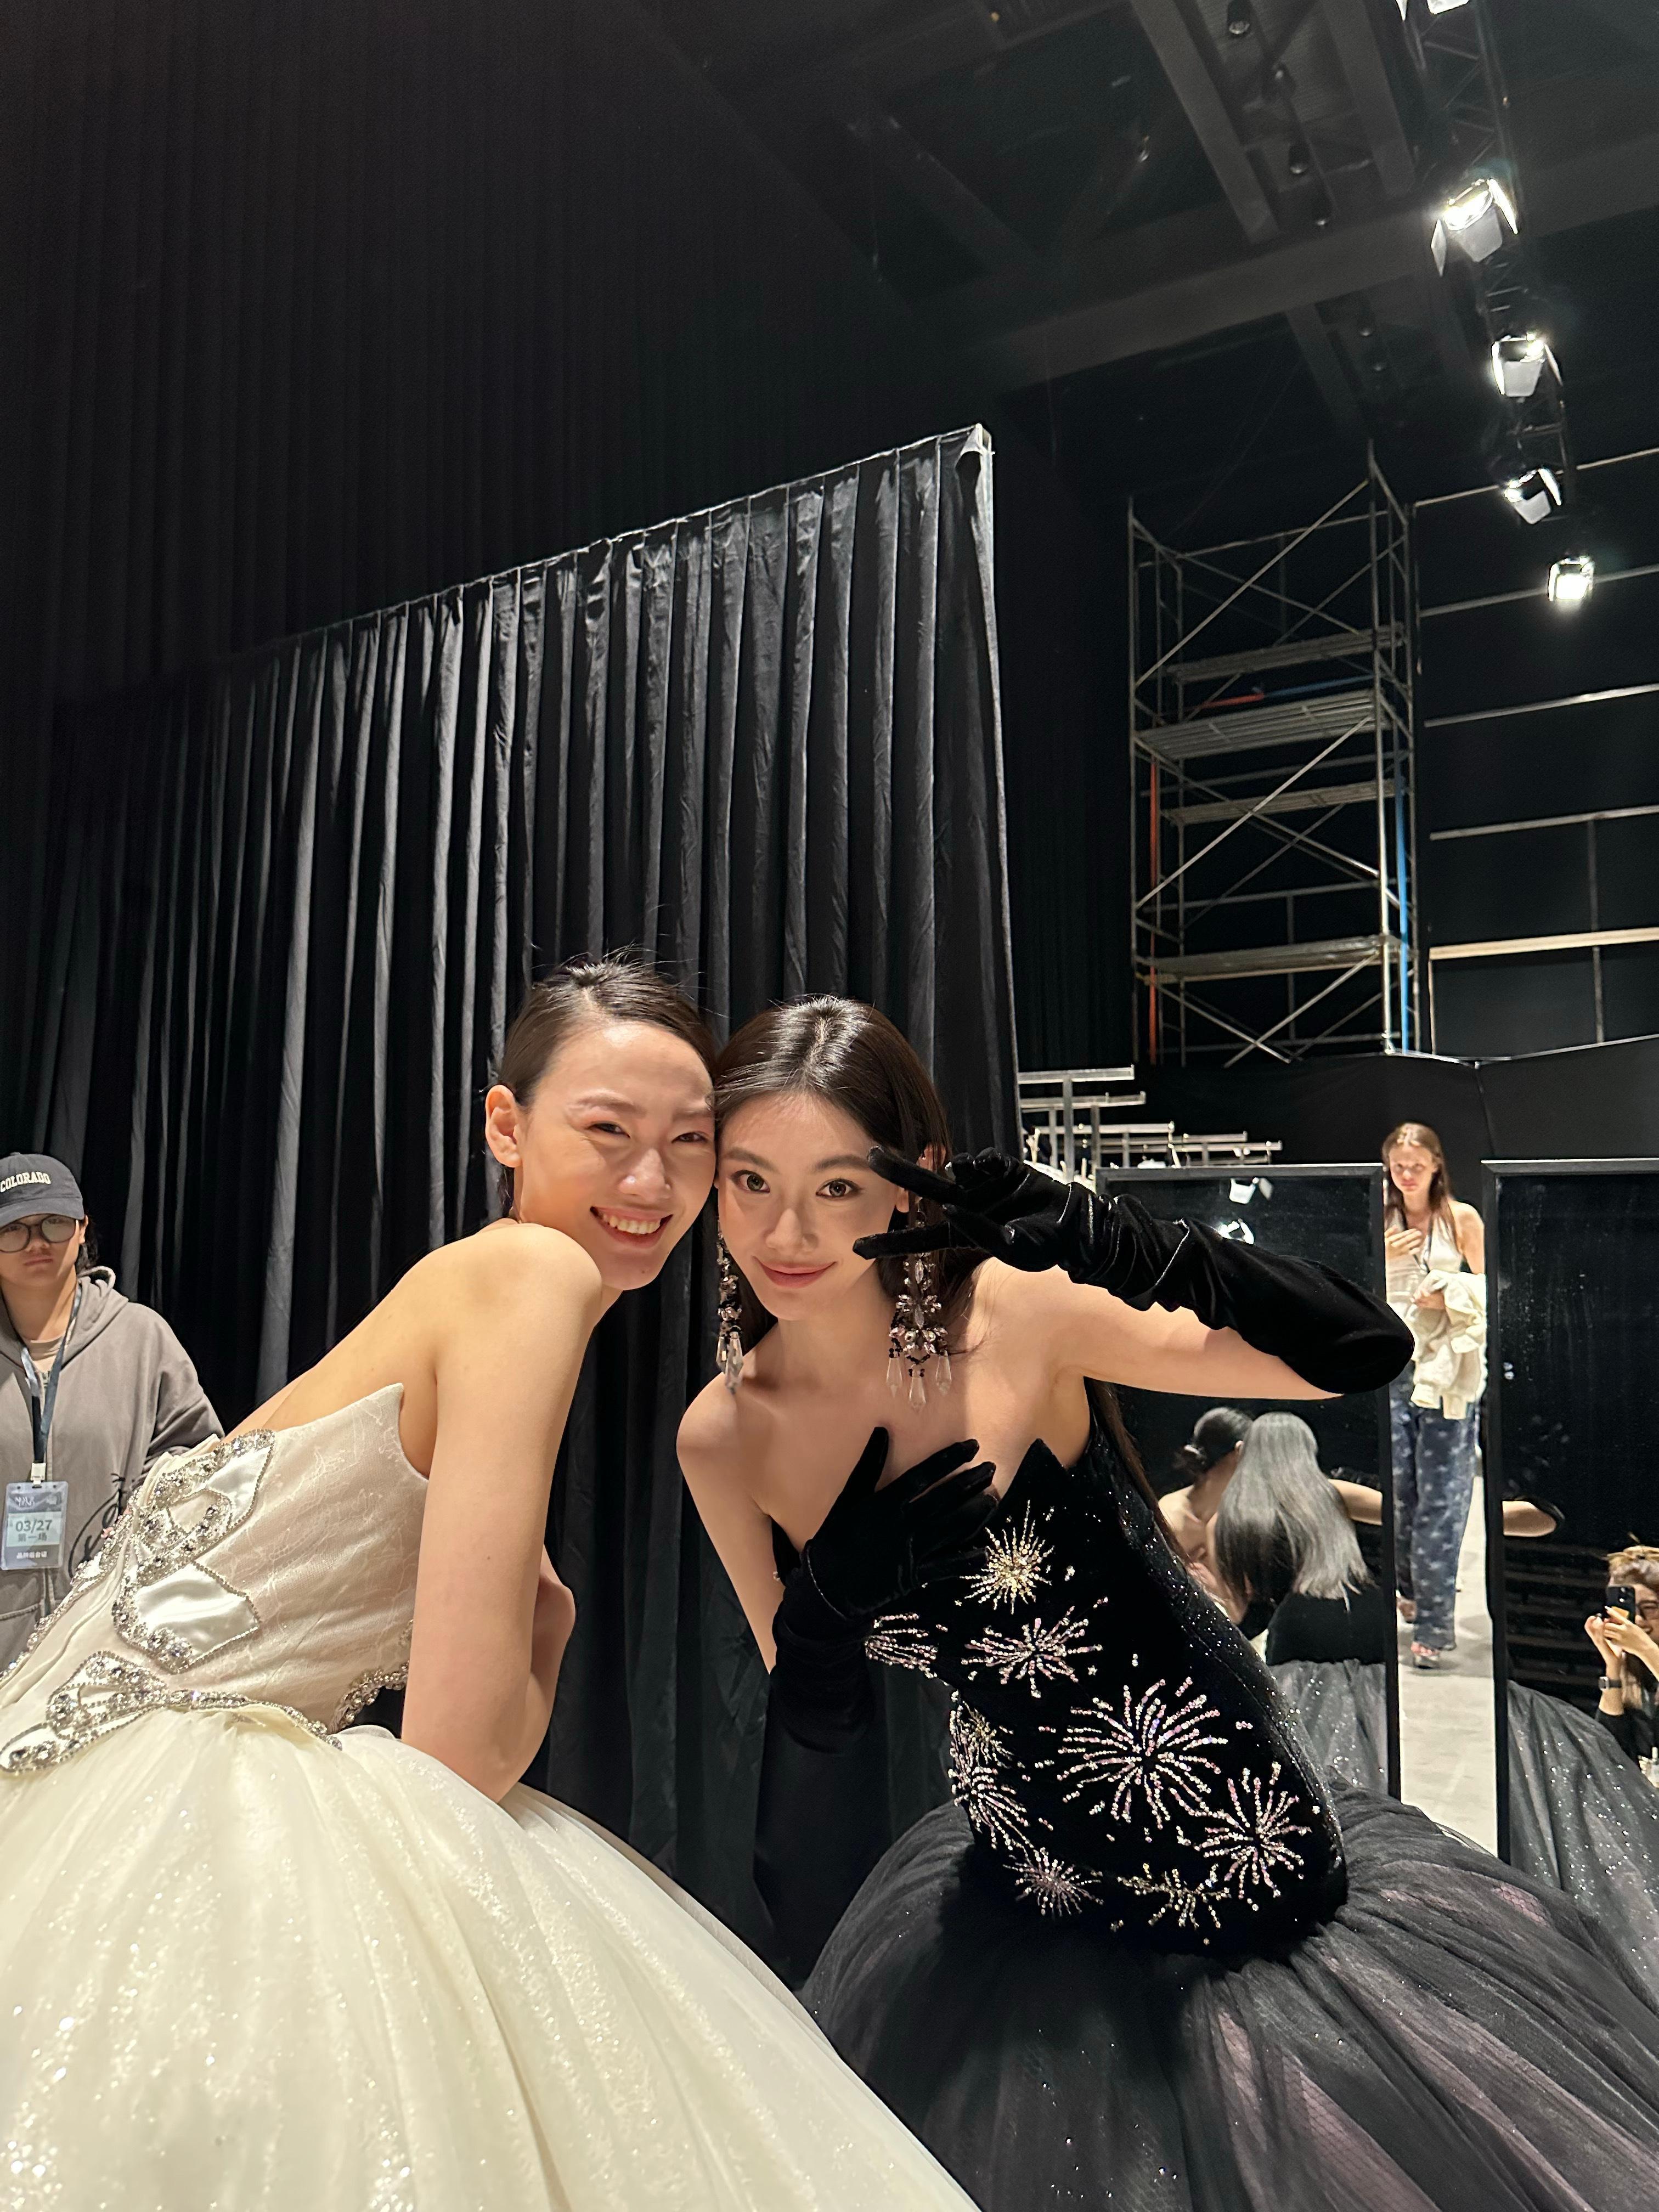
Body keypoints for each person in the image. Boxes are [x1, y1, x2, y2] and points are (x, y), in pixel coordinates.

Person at [0, 960, 977, 2212]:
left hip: (72, 1778)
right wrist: (549, 1638)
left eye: (690, 1143)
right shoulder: (532, 1278)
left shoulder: (470, 1278)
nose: (652, 1183)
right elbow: (456, 1758)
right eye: (608, 1132)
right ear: (506, 1127)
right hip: (182, 1790)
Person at [680, 997, 1659, 2212]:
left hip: (1236, 1867)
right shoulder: (722, 1438)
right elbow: (809, 1762)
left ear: (917, 1174)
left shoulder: (1013, 1317)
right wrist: (826, 1615)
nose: (785, 1232)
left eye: (836, 1186)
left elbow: (1362, 1349)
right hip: (1014, 1881)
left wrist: (1115, 1238)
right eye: (749, 1181)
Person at [0, 1153, 219, 1670]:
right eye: (14, 1228)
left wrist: (140, 1531)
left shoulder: (140, 1337)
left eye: (53, 1223)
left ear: (81, 1229)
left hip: (114, 1640)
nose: (36, 1242)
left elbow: (200, 1465)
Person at [1382, 1121, 1486, 1670]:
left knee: (1442, 1496)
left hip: (1446, 1370)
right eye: (1398, 1166)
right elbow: (1347, 1287)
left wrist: (1452, 1297)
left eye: (1416, 1166)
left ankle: (1434, 1623)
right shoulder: (1380, 1218)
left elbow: (1493, 1287)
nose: (1407, 1175)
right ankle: (1410, 1587)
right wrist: (1380, 1259)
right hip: (1393, 1364)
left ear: (1436, 1166)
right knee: (1400, 1489)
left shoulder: (1460, 1218)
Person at [1159, 1406, 1251, 1612]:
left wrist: (1215, 1588)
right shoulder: (1172, 1516)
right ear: (1240, 1452)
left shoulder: (1235, 1520)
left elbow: (1238, 1612)